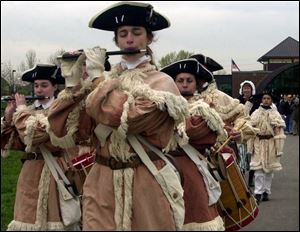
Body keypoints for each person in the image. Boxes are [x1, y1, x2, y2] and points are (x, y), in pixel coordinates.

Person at [81, 2, 192, 230]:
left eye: (136, 33)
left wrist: (97, 81)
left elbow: (126, 118)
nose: (129, 39)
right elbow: (75, 132)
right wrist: (74, 86)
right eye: (123, 34)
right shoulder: (102, 82)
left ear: (149, 39)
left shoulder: (162, 83)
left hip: (145, 180)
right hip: (102, 182)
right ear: (116, 41)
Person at [0, 64, 80, 230]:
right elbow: (17, 143)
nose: (39, 90)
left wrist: (21, 111)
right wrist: (9, 117)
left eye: (44, 85)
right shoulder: (28, 111)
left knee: (53, 218)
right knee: (27, 217)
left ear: (54, 87)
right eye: (36, 86)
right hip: (30, 173)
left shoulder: (58, 110)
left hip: (55, 171)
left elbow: (37, 135)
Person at [161, 58, 227, 230]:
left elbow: (202, 134)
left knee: (197, 216)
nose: (184, 85)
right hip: (163, 168)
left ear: (196, 84)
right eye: (180, 81)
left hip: (192, 169)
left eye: (189, 81)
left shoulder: (204, 107)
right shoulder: (161, 106)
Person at [247, 91, 286, 203]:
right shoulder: (256, 113)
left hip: (271, 143)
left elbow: (279, 130)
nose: (266, 100)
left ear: (271, 100)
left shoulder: (275, 114)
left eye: (268, 98)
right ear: (261, 100)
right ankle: (258, 193)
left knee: (269, 170)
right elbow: (250, 127)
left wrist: (279, 146)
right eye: (264, 98)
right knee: (258, 169)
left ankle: (266, 192)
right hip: (258, 143)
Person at [237, 80, 261, 186]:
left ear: (252, 90)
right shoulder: (237, 101)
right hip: (241, 131)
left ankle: (251, 179)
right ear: (242, 90)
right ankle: (241, 178)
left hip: (252, 132)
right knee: (241, 155)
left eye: (248, 88)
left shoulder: (256, 101)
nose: (246, 90)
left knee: (252, 155)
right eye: (245, 88)